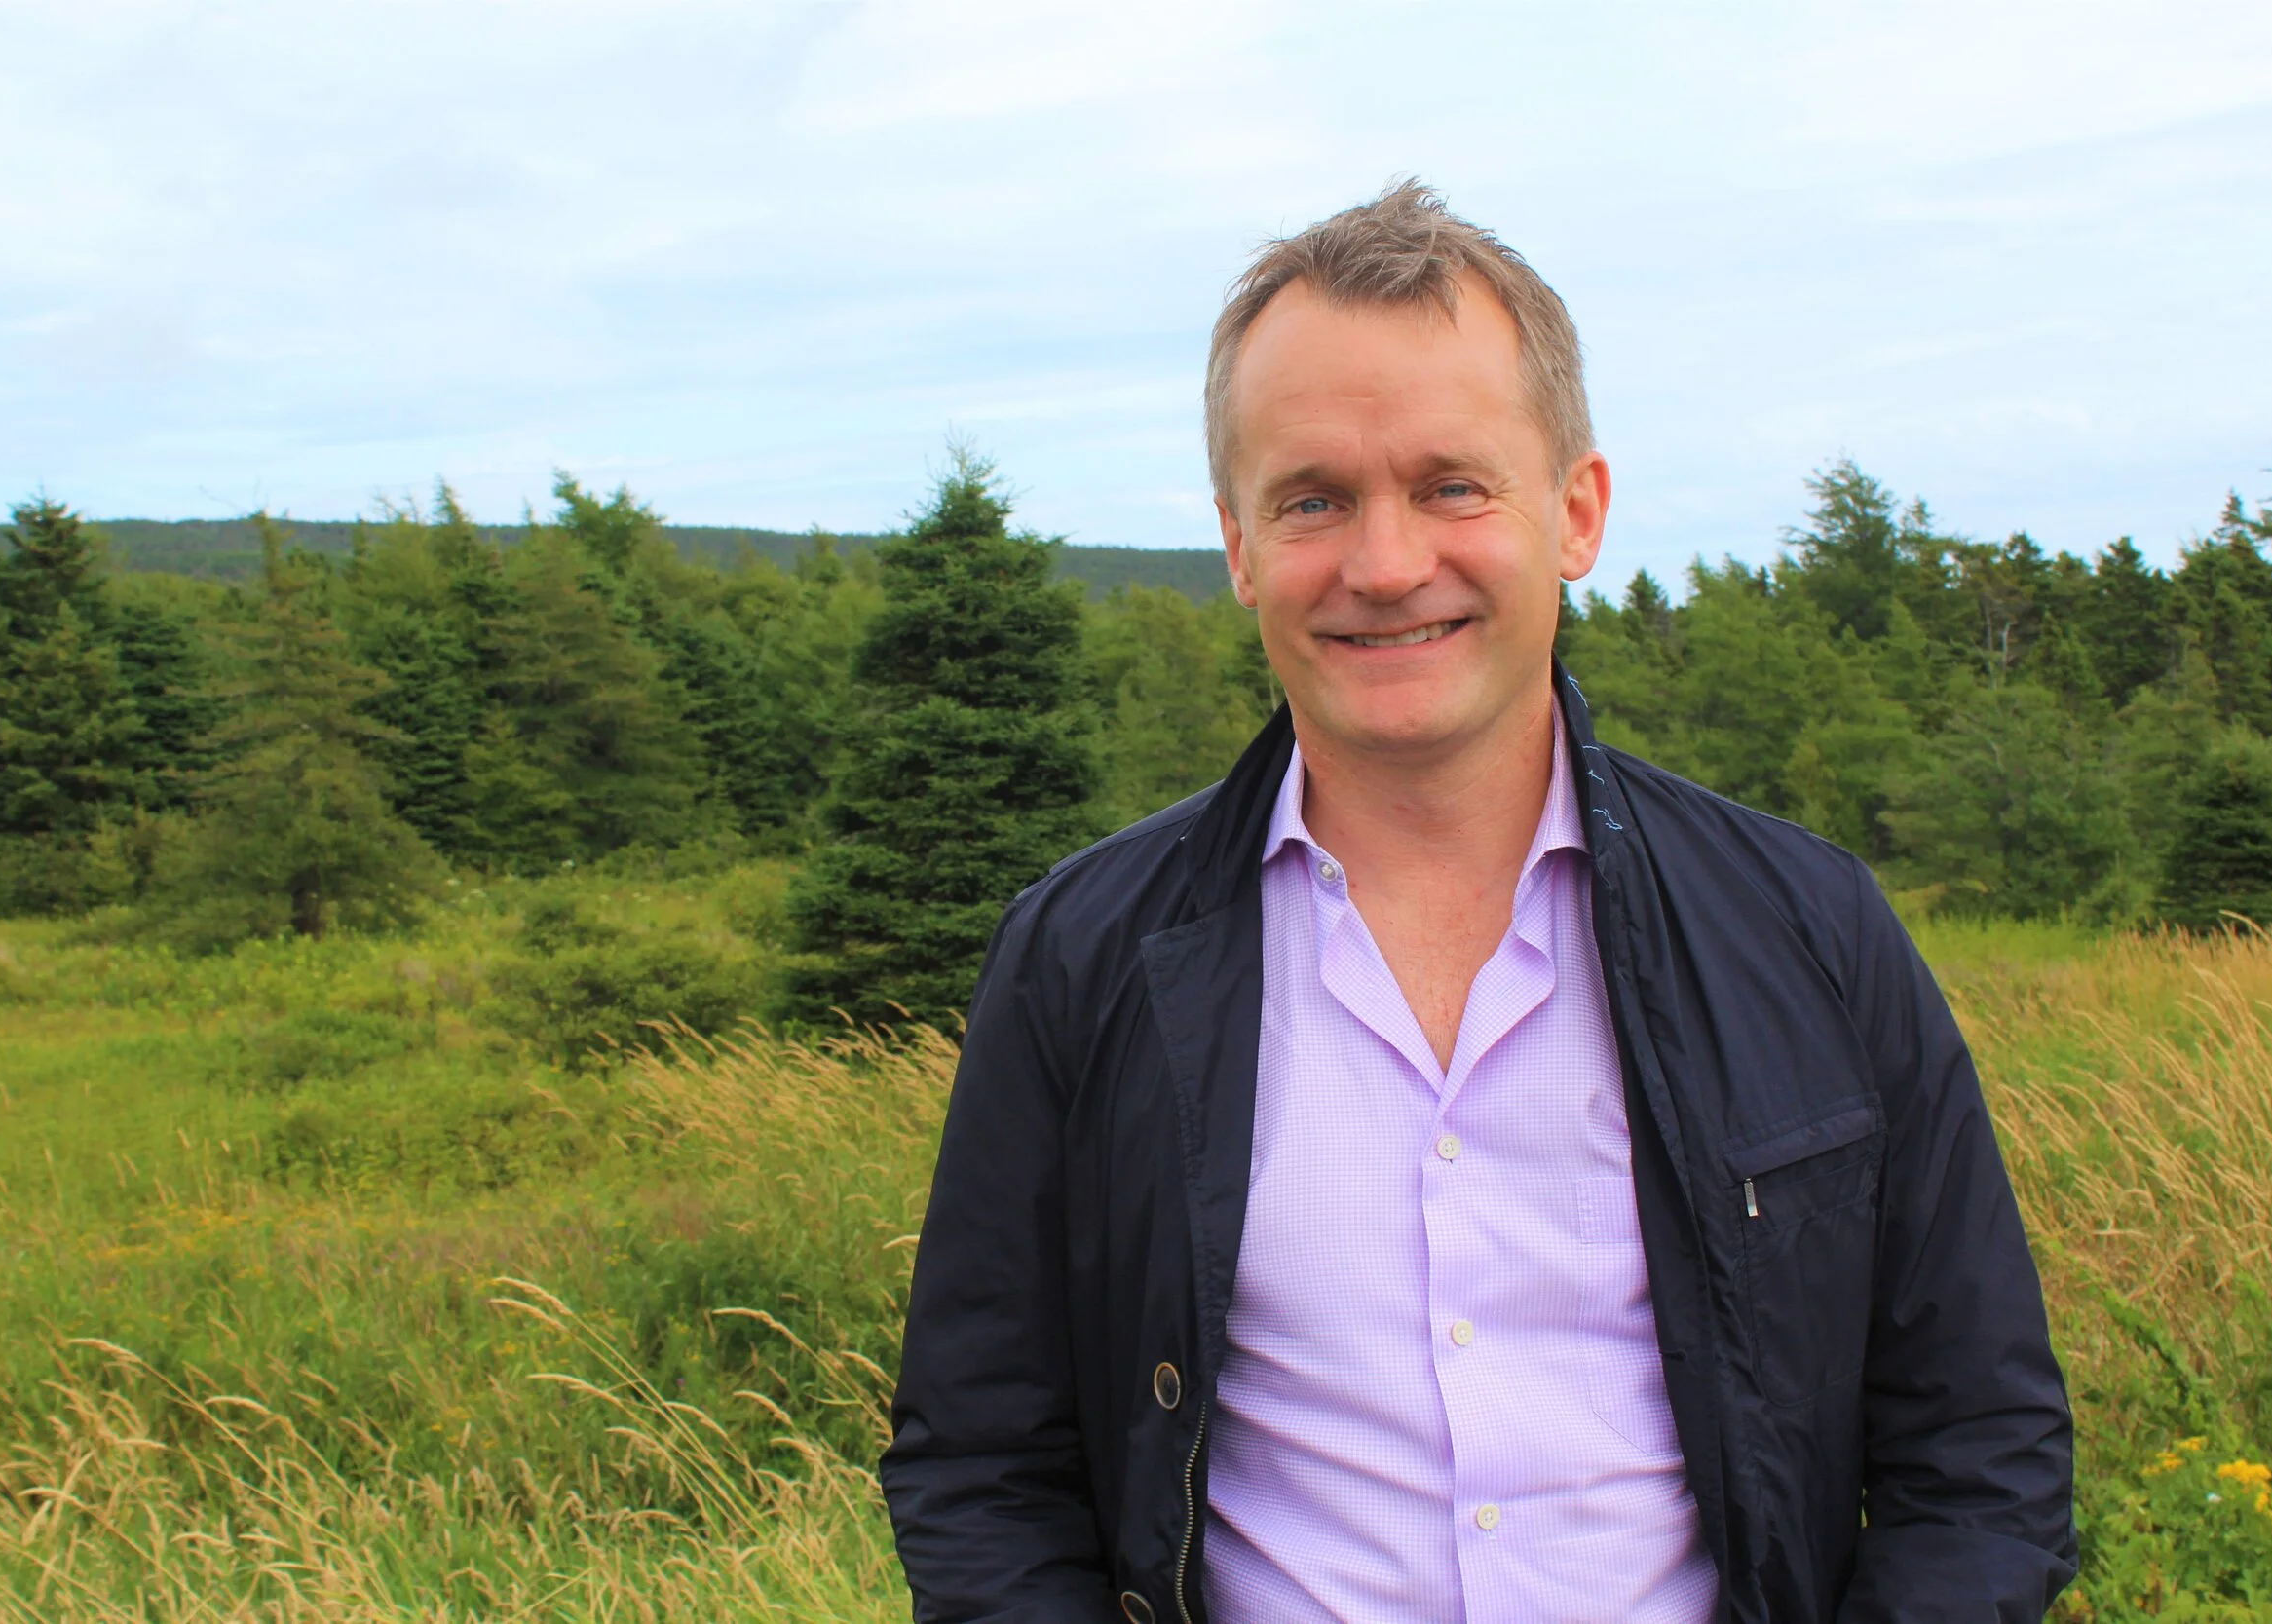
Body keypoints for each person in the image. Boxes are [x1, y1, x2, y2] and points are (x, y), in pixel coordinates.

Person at [881, 181, 2075, 1624]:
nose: (1386, 566)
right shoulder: (1080, 960)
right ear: (1240, 543)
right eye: (1313, 499)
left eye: (1453, 484)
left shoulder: (1809, 931)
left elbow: (1979, 1450)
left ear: (1575, 511)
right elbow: (984, 1467)